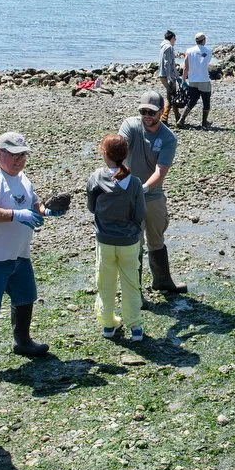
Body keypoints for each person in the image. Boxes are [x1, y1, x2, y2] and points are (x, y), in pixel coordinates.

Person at [0, 132, 62, 378]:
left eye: (23, 155)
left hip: (19, 253)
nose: (19, 160)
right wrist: (16, 215)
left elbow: (34, 202)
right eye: (14, 155)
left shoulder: (22, 178)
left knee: (25, 296)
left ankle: (22, 341)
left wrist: (46, 211)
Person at [119, 90, 186, 295]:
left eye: (152, 112)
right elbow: (119, 156)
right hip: (129, 194)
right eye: (143, 111)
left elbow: (160, 171)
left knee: (156, 239)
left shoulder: (168, 138)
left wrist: (144, 188)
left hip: (153, 195)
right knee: (134, 241)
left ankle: (163, 281)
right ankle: (134, 290)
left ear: (160, 112)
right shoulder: (130, 126)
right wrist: (125, 185)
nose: (147, 116)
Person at [87, 134, 147, 341]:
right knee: (131, 283)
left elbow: (91, 207)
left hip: (105, 240)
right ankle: (135, 326)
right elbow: (140, 214)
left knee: (105, 283)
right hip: (129, 241)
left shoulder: (96, 177)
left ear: (104, 154)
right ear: (126, 154)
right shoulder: (135, 182)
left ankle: (108, 323)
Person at [178, 32, 213, 128]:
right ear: (204, 40)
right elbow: (206, 63)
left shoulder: (189, 51)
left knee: (191, 101)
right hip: (204, 79)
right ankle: (204, 122)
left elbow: (186, 67)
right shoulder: (208, 52)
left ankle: (181, 119)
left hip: (193, 80)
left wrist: (183, 80)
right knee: (206, 101)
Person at [158, 30, 179, 124]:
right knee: (171, 96)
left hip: (163, 75)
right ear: (172, 38)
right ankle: (164, 117)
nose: (175, 40)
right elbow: (167, 63)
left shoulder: (163, 46)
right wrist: (170, 76)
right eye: (175, 38)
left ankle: (177, 116)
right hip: (167, 75)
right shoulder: (169, 47)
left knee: (172, 95)